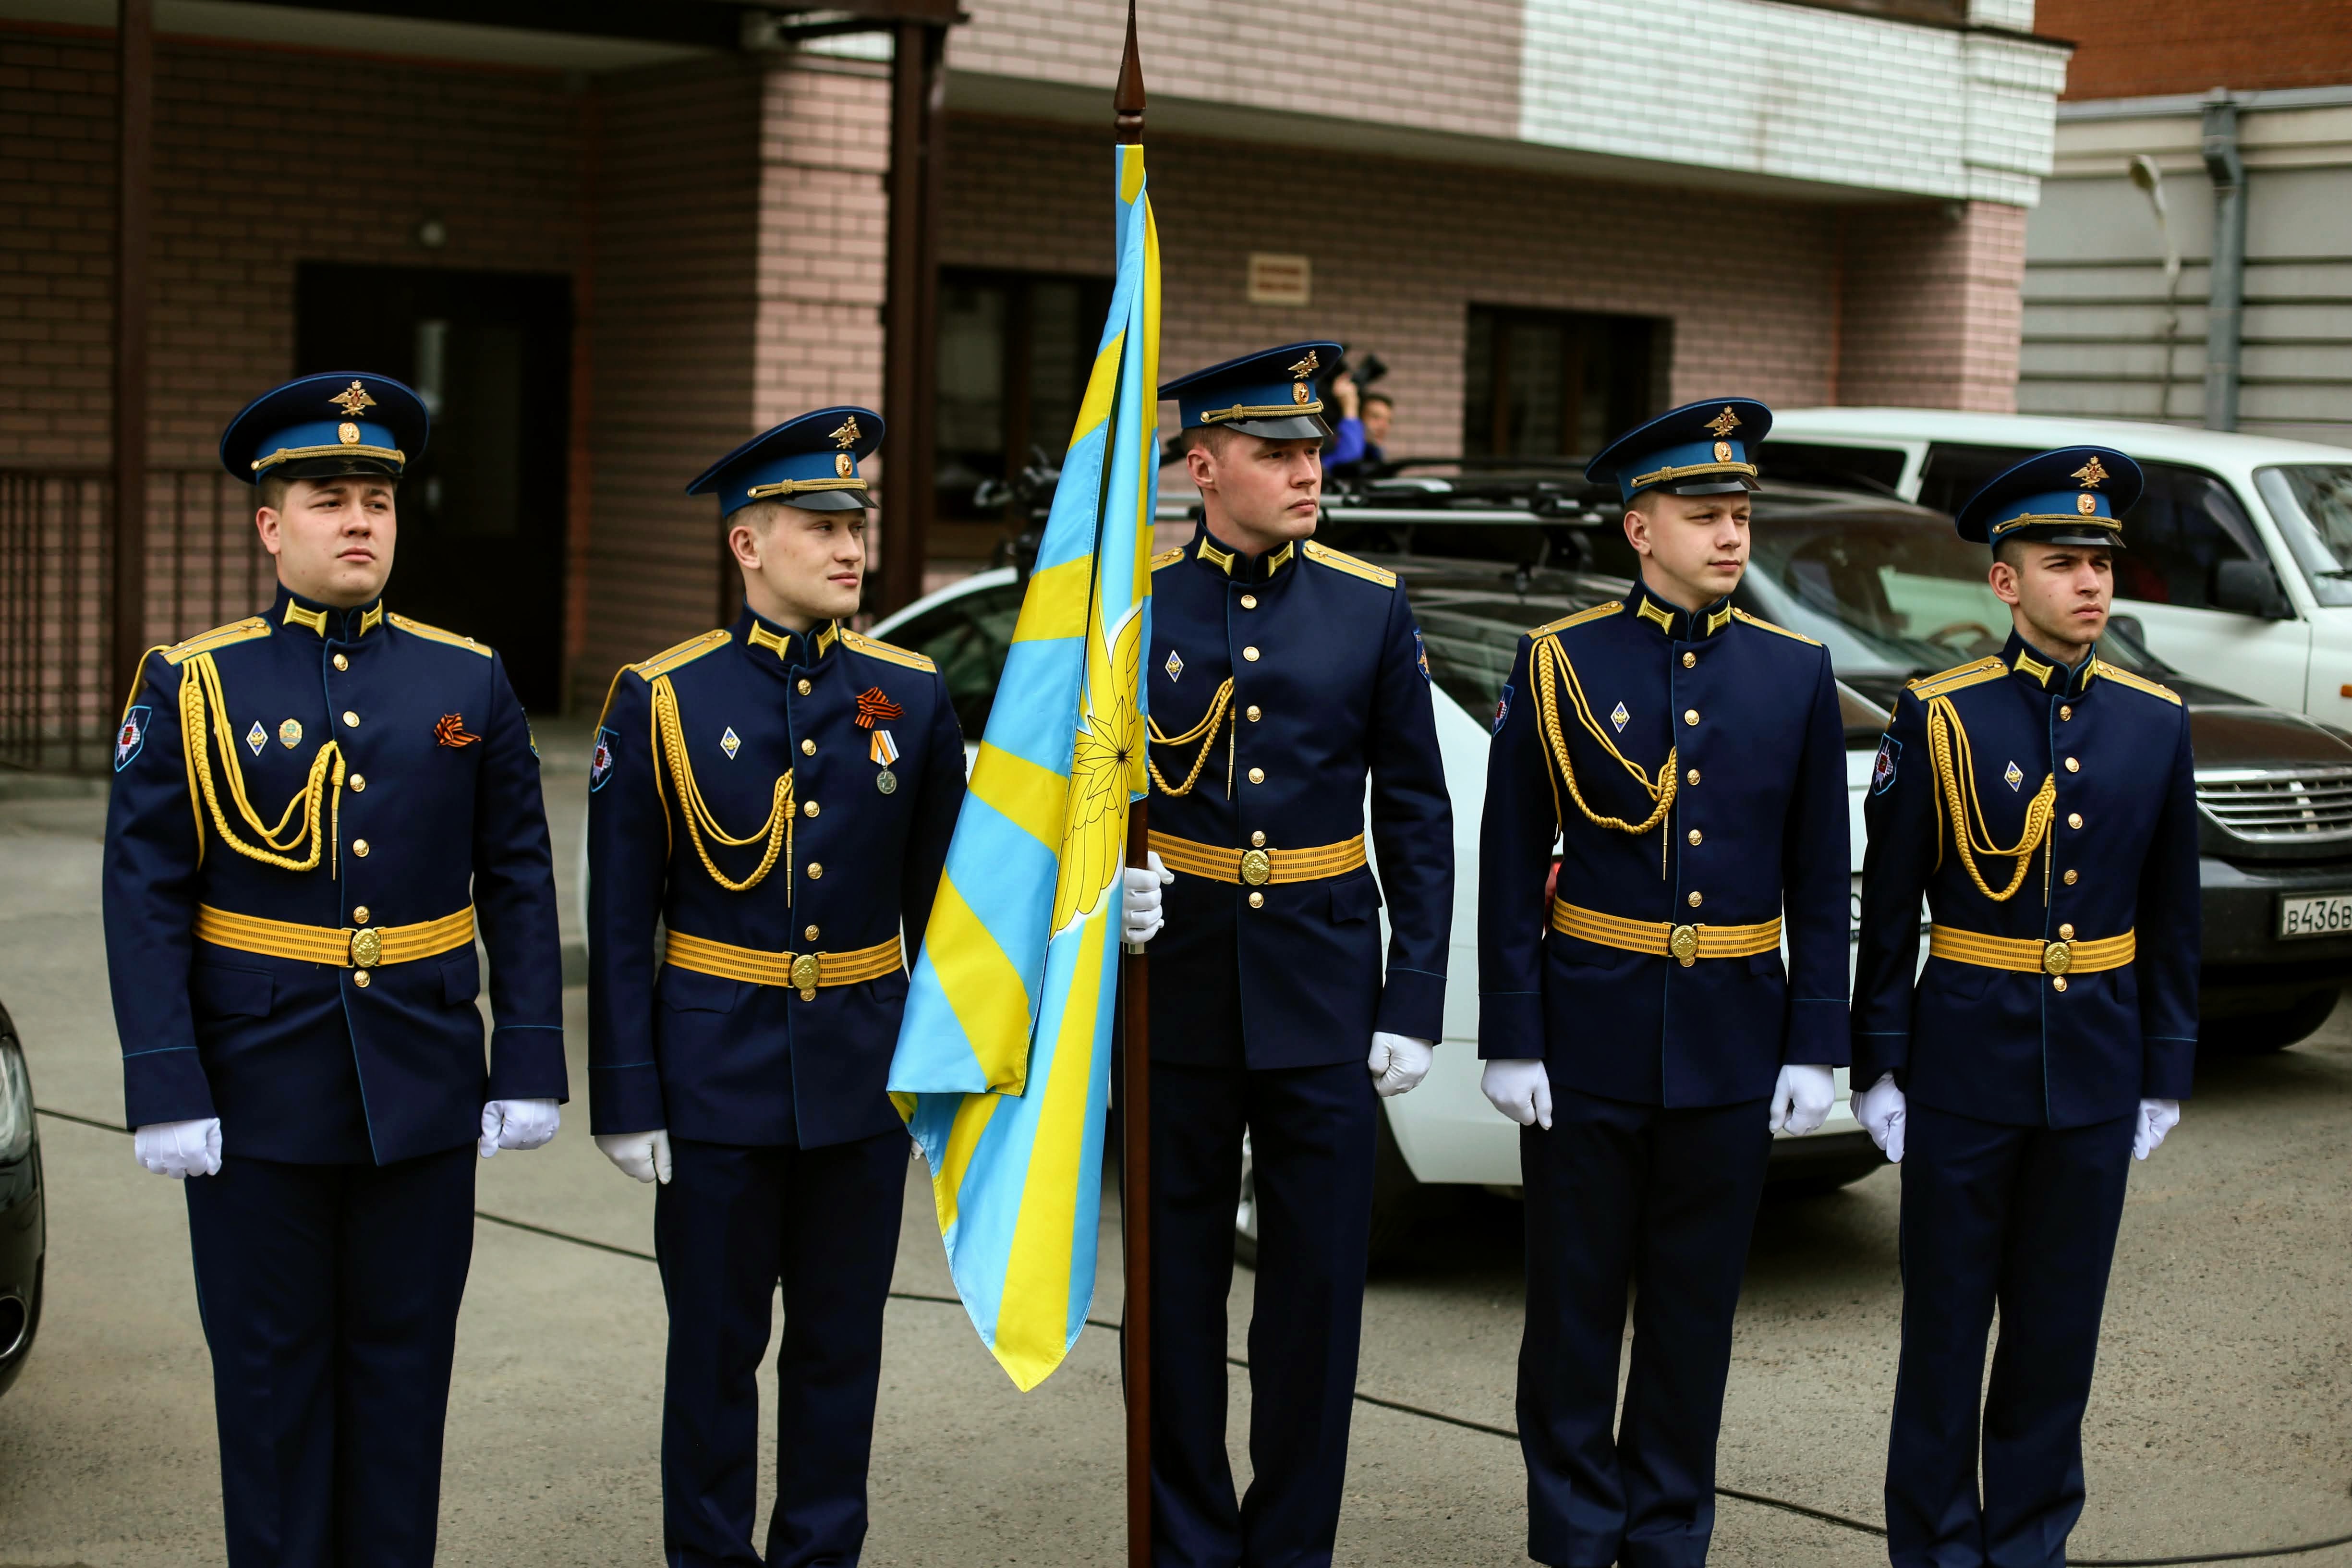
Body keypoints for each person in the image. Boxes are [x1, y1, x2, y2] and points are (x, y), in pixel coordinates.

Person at [584, 407, 1169, 1565]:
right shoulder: (664, 698)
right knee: (713, 1354)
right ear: (747, 543)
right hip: (712, 1079)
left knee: (840, 1350)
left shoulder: (908, 693)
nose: (850, 547)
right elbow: (615, 923)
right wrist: (626, 1094)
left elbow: (958, 902)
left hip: (857, 1073)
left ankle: (820, 1554)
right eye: (819, 526)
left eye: (856, 524)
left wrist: (1095, 907)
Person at [102, 371, 567, 1567]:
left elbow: (518, 878)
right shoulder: (194, 682)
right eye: (328, 500)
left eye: (377, 500)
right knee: (271, 1386)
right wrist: (164, 1079)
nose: (359, 521)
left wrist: (528, 1058)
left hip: (423, 1083)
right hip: (256, 1090)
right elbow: (145, 895)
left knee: (404, 1382)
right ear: (271, 525)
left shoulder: (468, 679)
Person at [1478, 399, 1850, 1568]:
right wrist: (1510, 1031)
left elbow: (1817, 873)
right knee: (1573, 1308)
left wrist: (1815, 1041)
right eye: (1703, 516)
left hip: (1732, 1035)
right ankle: (1575, 1531)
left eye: (1739, 514)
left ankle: (1667, 1532)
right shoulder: (1561, 662)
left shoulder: (1794, 672)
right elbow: (1507, 859)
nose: (1731, 535)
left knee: (1694, 1310)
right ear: (1639, 529)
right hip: (1588, 1029)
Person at [1850, 447, 2196, 1568]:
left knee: (2055, 1341)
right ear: (2004, 583)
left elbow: (2171, 912)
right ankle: (1934, 1549)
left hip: (2093, 1073)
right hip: (1963, 1070)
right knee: (1944, 1337)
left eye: (2100, 564)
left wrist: (2163, 1066)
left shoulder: (2153, 720)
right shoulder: (1937, 715)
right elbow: (1888, 907)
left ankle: (2029, 1547)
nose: (2089, 583)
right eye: (2061, 564)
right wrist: (1878, 1061)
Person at [1143, 341, 1454, 1568]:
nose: (1308, 470)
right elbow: (1067, 790)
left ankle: (1288, 1549)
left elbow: (1416, 811)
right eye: (1275, 453)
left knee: (1315, 1294)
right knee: (1173, 1289)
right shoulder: (1133, 609)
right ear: (1203, 467)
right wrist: (1098, 897)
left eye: (1314, 448)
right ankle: (1187, 1540)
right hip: (1173, 984)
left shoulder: (1368, 606)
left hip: (1324, 988)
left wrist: (1413, 995)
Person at [1324, 370, 1391, 474]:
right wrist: (1350, 408)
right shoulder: (1333, 446)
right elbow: (1349, 462)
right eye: (1375, 417)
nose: (1384, 426)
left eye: (1389, 421)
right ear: (1358, 419)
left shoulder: (1373, 454)